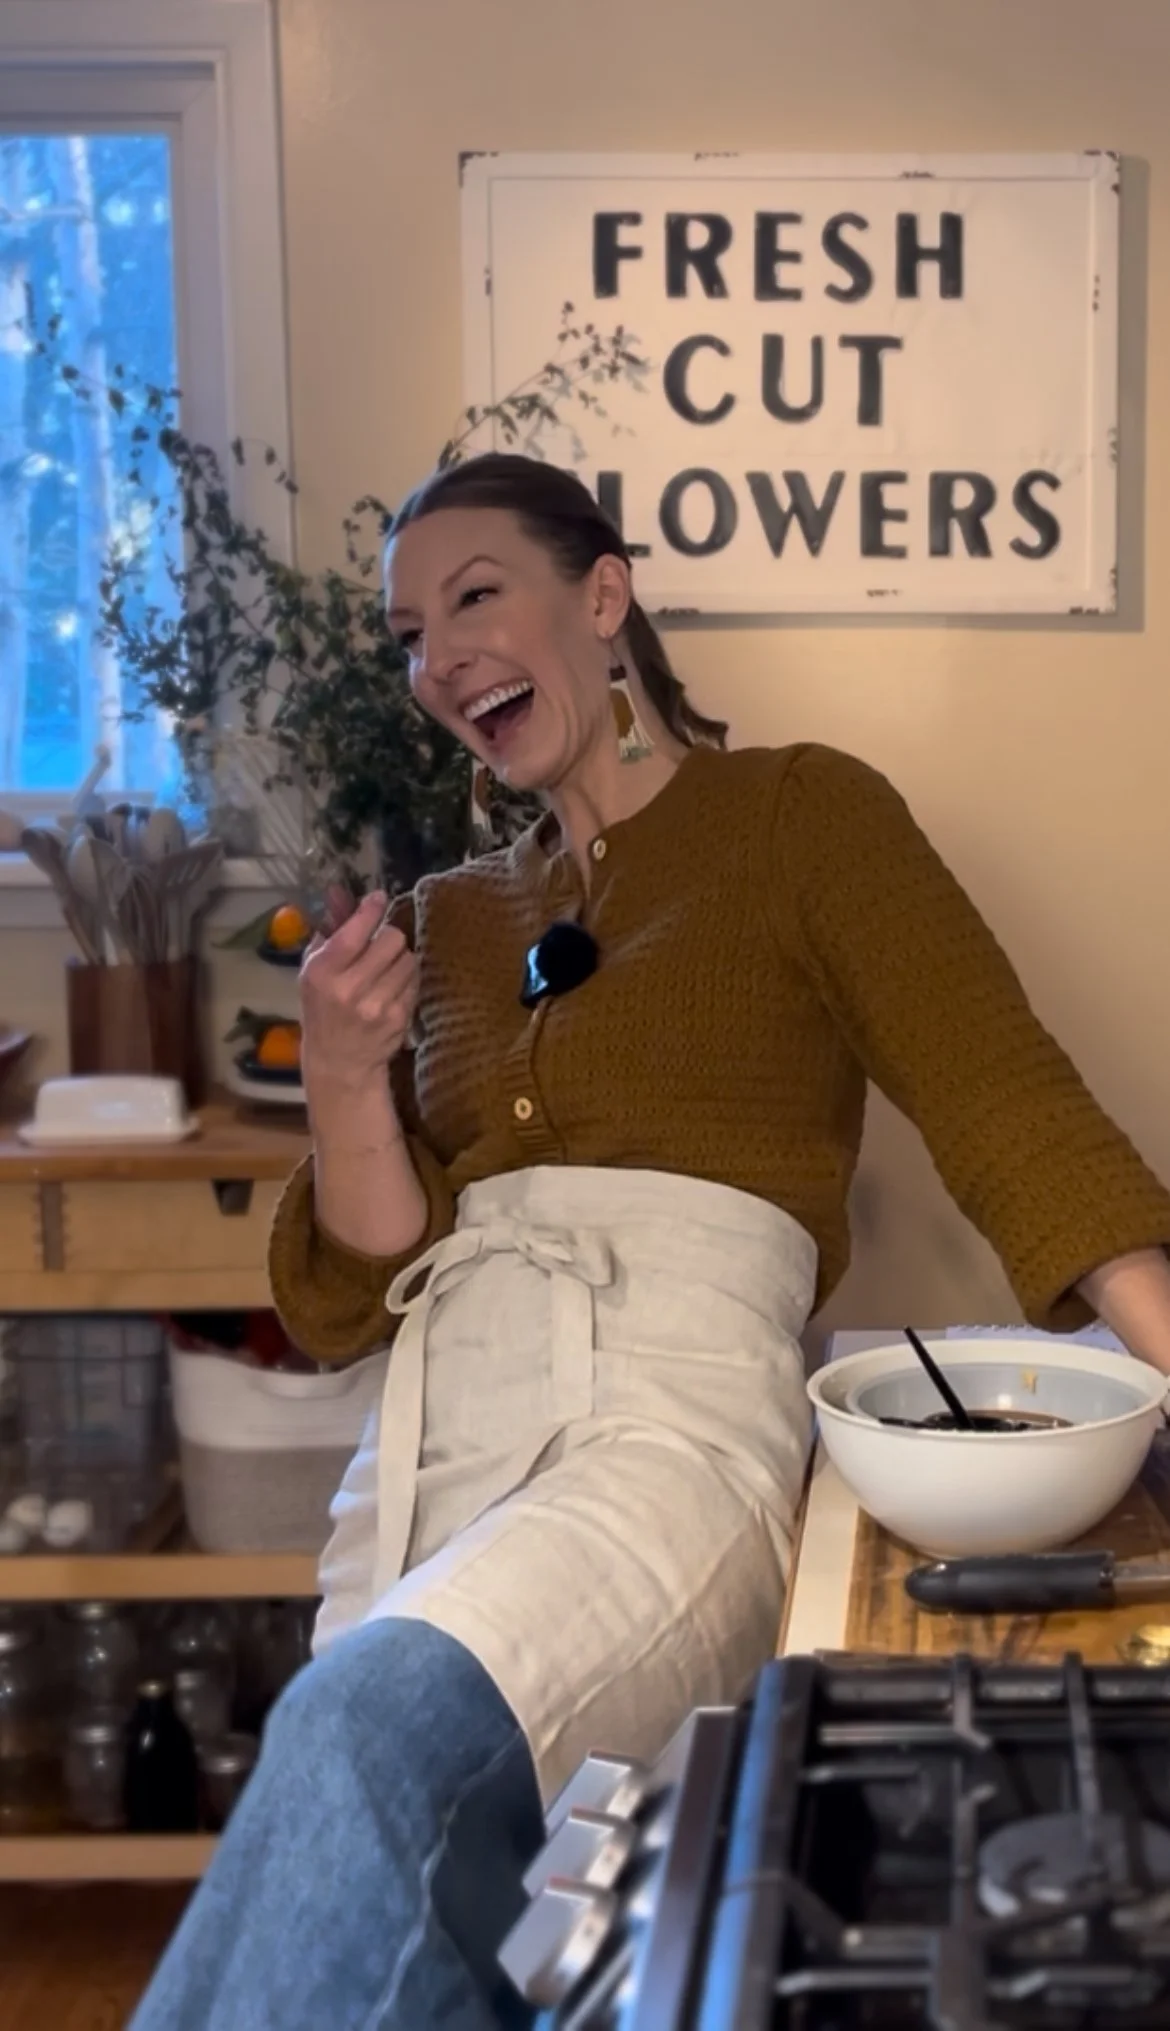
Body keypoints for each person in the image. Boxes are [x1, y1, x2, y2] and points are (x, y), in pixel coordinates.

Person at [133, 453, 1170, 2031]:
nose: (438, 657)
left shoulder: (801, 817)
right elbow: (350, 1289)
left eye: (476, 596)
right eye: (412, 632)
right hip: (435, 1439)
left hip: (670, 1421)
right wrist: (343, 1076)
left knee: (369, 1736)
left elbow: (1006, 1102)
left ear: (602, 596)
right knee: (486, 1936)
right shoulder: (454, 913)